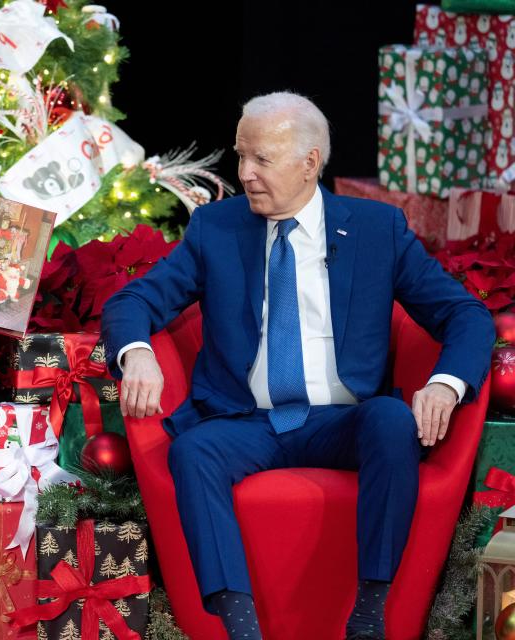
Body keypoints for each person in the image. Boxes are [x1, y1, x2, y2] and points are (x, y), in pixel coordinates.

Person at [100, 92, 495, 640]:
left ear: (310, 162)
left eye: (261, 159)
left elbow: (466, 316)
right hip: (248, 422)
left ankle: (369, 613)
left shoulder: (378, 231)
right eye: (241, 157)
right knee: (192, 451)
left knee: (391, 421)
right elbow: (132, 301)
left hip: (344, 421)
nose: (245, 174)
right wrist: (137, 351)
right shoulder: (216, 228)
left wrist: (446, 386)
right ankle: (241, 627)